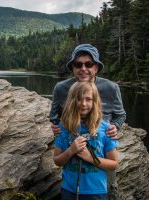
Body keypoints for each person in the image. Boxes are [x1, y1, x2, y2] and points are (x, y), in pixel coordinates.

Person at [50, 44, 126, 199]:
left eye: (89, 64)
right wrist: (57, 126)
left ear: (96, 67)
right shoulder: (61, 88)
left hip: (102, 144)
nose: (83, 68)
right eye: (78, 64)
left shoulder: (111, 88)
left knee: (110, 189)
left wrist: (115, 127)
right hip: (73, 142)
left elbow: (120, 115)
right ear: (73, 68)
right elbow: (54, 115)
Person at [53, 81, 119, 200]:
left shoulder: (106, 129)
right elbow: (57, 161)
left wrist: (90, 158)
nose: (83, 103)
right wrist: (71, 150)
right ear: (72, 101)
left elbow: (114, 164)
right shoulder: (63, 127)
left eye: (88, 99)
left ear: (95, 102)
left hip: (96, 192)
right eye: (79, 99)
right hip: (68, 190)